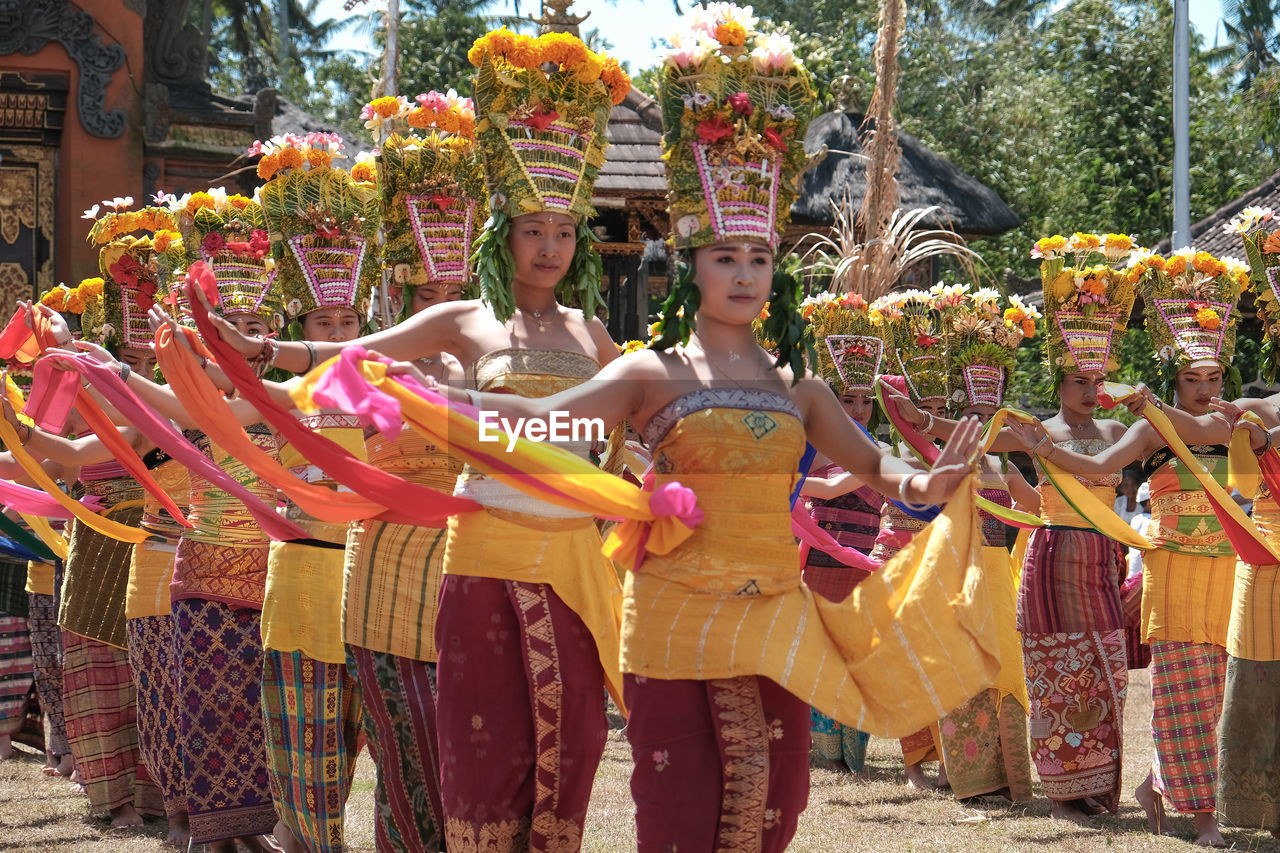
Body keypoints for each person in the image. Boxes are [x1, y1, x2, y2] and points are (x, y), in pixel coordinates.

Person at [389, 10, 994, 848]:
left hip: (776, 613)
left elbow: (880, 467)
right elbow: (540, 417)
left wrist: (930, 483)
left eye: (759, 259)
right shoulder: (648, 371)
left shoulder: (801, 386)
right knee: (675, 815)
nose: (744, 275)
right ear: (691, 263)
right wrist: (443, 403)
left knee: (773, 805)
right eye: (724, 258)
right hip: (671, 616)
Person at [201, 30, 632, 850]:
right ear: (501, 231)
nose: (549, 246)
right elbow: (348, 357)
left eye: (565, 231)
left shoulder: (592, 333)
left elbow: (635, 426)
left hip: (564, 564)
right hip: (443, 565)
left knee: (566, 747)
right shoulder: (464, 320)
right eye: (533, 228)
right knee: (436, 759)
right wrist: (266, 353)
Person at [1010, 244, 1257, 847]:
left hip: (1231, 575)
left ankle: (1155, 784)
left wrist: (1243, 426)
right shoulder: (1150, 428)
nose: (1205, 388)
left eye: (1213, 377)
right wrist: (1042, 452)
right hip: (1170, 574)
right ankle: (1203, 819)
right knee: (1182, 697)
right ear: (1174, 378)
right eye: (1192, 379)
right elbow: (1093, 461)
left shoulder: (1241, 418)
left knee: (1223, 698)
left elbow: (1243, 437)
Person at [343, 89, 479, 853]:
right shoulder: (364, 367)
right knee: (407, 751)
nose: (443, 309)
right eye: (428, 295)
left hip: (470, 577)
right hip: (385, 578)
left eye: (456, 294)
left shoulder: (494, 367)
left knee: (467, 756)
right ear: (401, 297)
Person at [798, 292, 884, 774]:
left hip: (862, 566)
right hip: (816, 563)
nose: (857, 408)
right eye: (846, 399)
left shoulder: (880, 451)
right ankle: (822, 752)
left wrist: (786, 484)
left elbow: (833, 491)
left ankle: (853, 753)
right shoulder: (811, 447)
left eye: (865, 400)